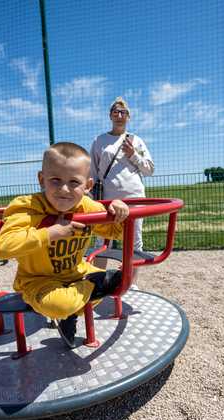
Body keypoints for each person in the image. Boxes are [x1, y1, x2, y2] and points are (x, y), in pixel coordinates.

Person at [0, 142, 129, 349]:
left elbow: (114, 231)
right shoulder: (28, 207)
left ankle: (71, 313)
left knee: (123, 283)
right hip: (38, 280)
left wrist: (118, 211)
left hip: (76, 272)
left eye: (74, 182)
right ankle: (94, 285)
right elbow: (3, 246)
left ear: (88, 186)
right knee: (59, 305)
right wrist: (50, 233)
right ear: (41, 179)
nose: (64, 189)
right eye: (55, 180)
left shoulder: (86, 206)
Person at [90, 97, 154, 285]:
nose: (119, 115)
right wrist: (91, 196)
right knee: (101, 240)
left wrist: (133, 155)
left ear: (129, 117)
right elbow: (93, 172)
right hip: (107, 200)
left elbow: (149, 169)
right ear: (110, 115)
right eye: (115, 112)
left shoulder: (136, 140)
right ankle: (96, 281)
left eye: (123, 112)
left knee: (134, 241)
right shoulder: (99, 141)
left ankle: (130, 282)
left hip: (134, 197)